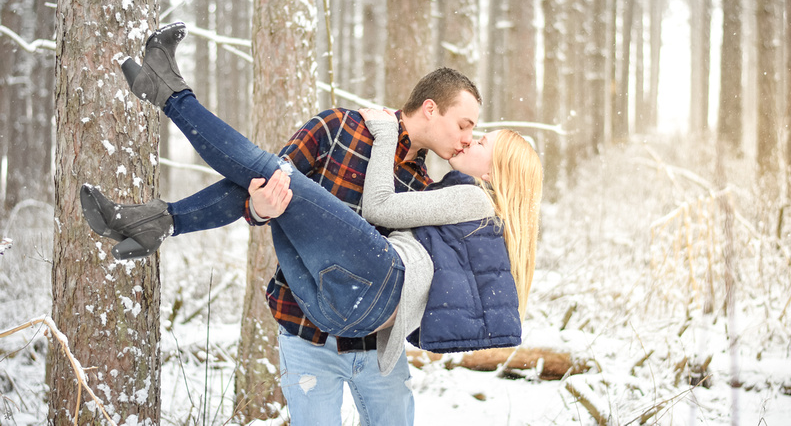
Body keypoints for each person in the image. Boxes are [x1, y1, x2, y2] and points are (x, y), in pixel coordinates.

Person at [81, 20, 542, 377]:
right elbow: (260, 187)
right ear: (430, 108)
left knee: (268, 169)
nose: (468, 139)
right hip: (316, 307)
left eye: (477, 138)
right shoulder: (344, 128)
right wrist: (257, 208)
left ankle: (169, 96)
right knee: (272, 178)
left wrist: (385, 137)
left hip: (368, 312)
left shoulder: (436, 186)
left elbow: (387, 217)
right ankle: (156, 223)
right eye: (466, 127)